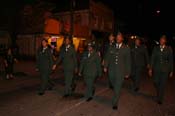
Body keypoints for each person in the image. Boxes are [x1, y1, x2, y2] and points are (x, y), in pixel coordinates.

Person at [104, 32, 131, 110]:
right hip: (111, 70)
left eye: (120, 37)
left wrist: (127, 72)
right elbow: (107, 57)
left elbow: (128, 61)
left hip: (121, 71)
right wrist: (105, 66)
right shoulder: (112, 47)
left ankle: (115, 102)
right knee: (113, 84)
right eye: (117, 37)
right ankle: (116, 91)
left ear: (122, 39)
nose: (118, 38)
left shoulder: (126, 48)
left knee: (117, 87)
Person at [149, 35, 173, 104]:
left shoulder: (169, 49)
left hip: (165, 70)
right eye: (160, 40)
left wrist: (171, 70)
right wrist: (150, 68)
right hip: (156, 69)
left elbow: (171, 60)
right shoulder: (155, 48)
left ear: (165, 41)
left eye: (163, 40)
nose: (161, 41)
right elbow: (152, 58)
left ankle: (160, 98)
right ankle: (159, 92)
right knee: (156, 82)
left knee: (162, 84)